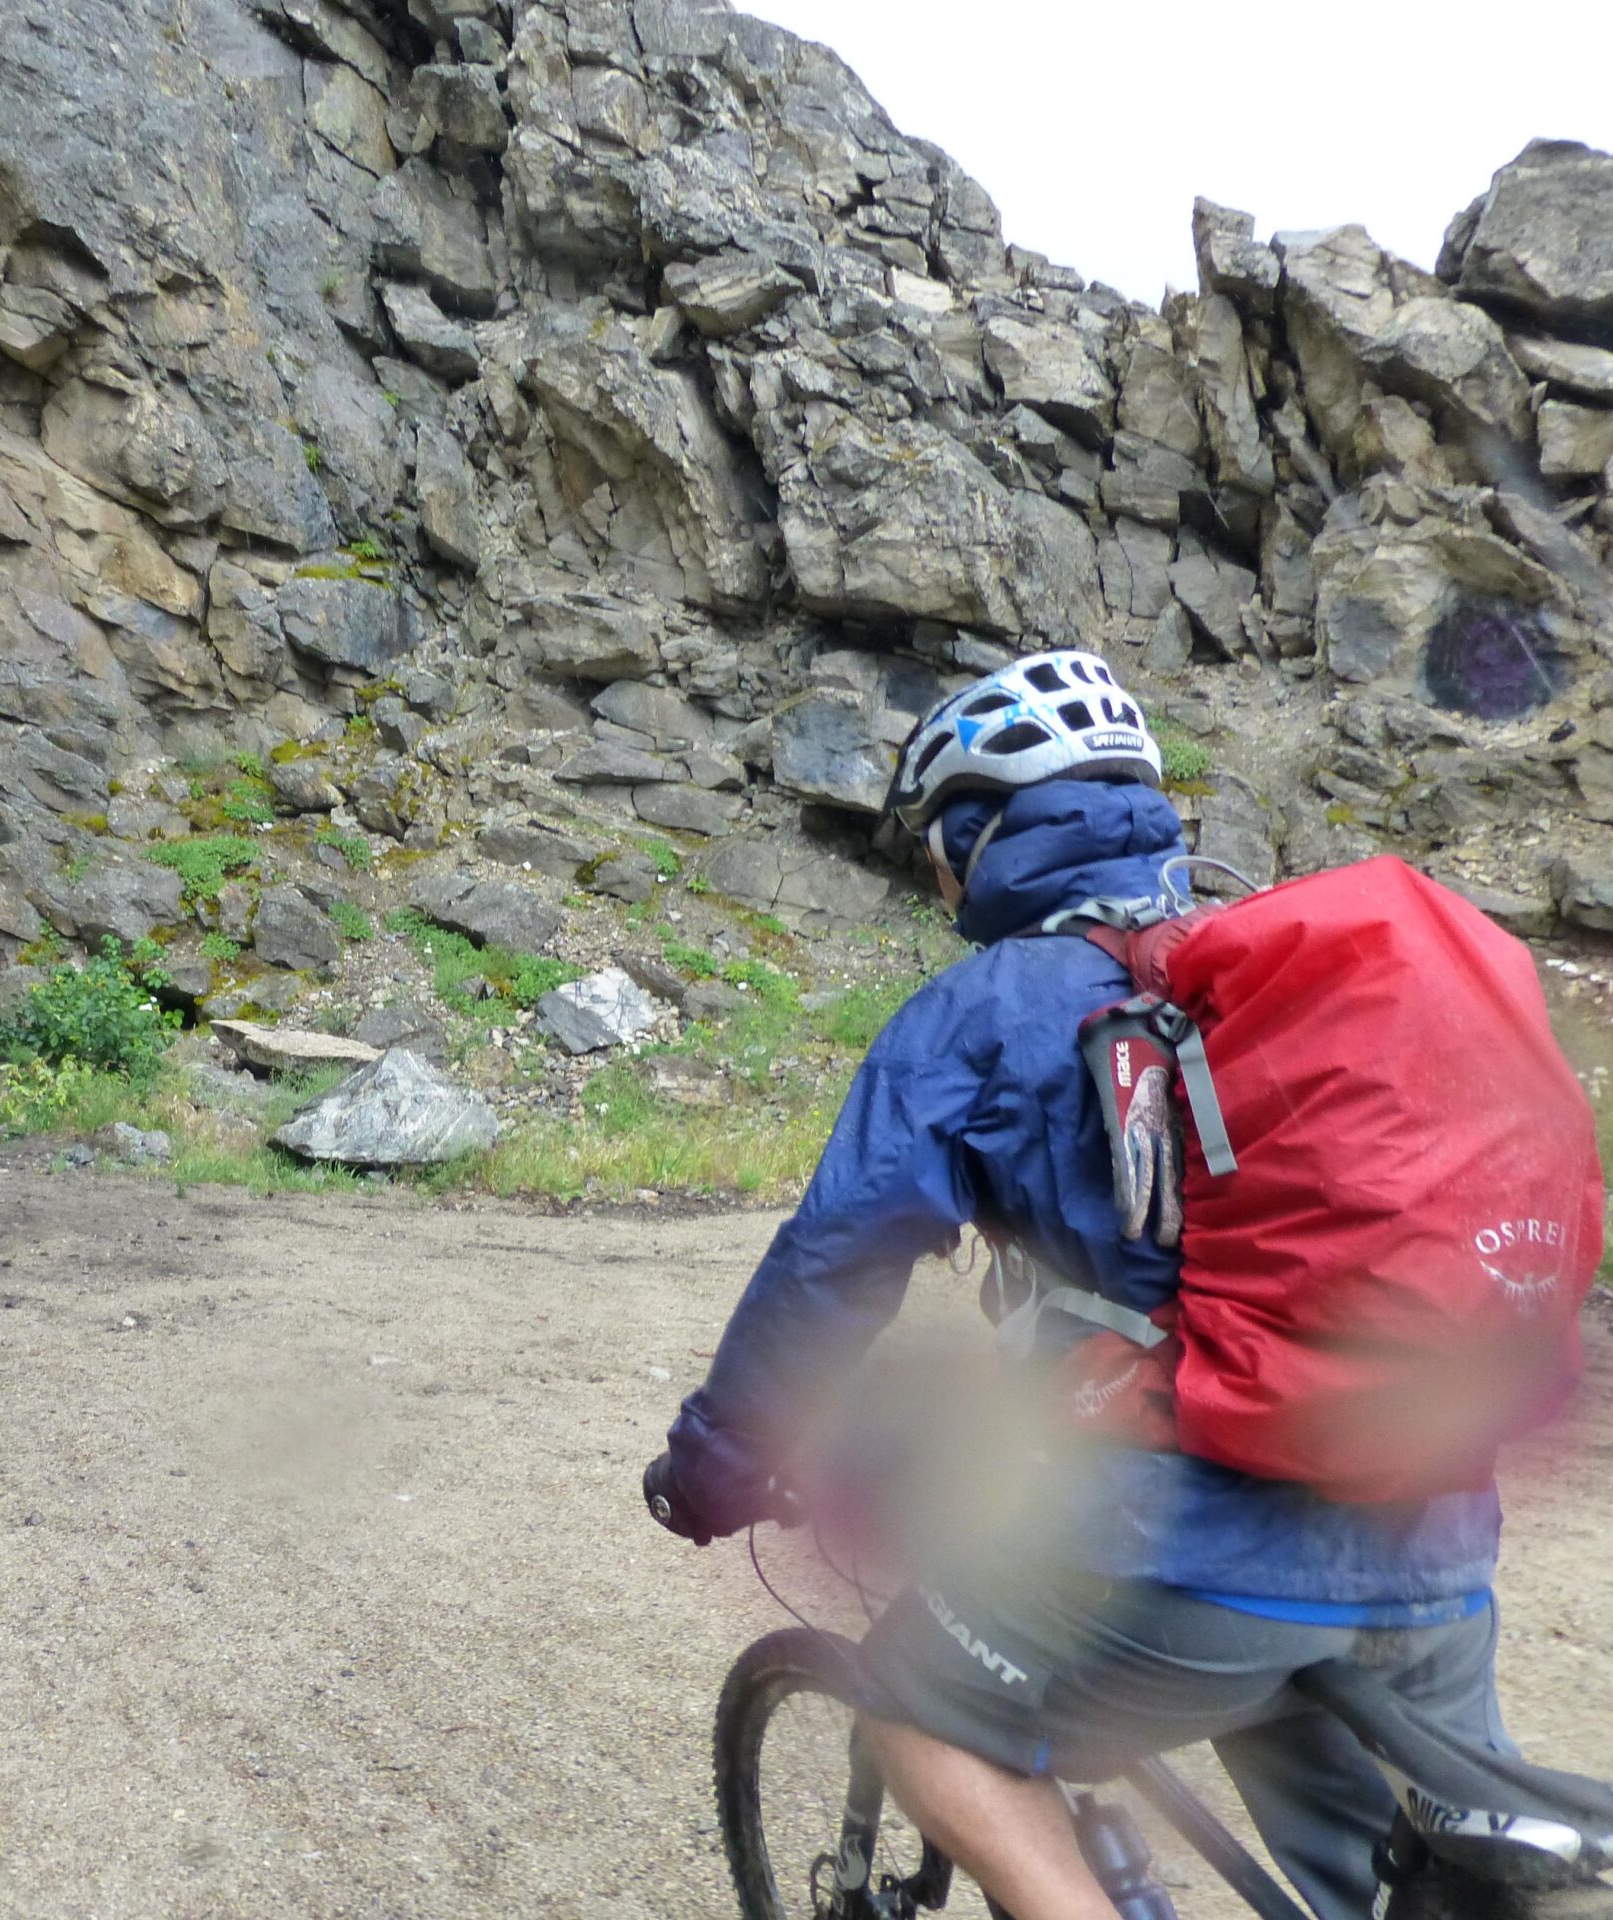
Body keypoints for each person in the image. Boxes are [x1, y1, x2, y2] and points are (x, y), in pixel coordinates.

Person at [642, 651, 1514, 1920]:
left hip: (1187, 1545)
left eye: (937, 845)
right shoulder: (1279, 967)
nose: (936, 878)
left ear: (973, 829)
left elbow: (834, 1261)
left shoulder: (987, 1006)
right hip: (1435, 1527)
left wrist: (717, 1465)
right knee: (1387, 1875)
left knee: (921, 1710)